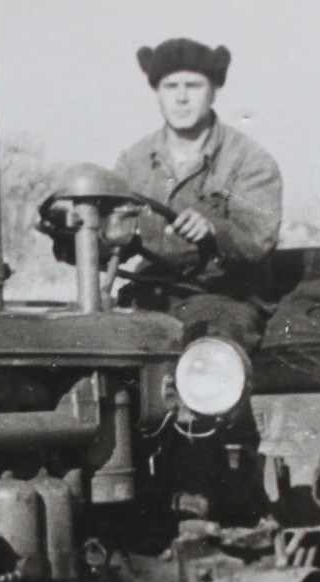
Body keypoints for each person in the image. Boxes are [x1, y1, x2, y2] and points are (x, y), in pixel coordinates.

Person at [114, 37, 283, 349]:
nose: (181, 98)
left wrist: (213, 230)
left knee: (210, 348)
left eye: (193, 86)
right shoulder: (133, 161)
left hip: (226, 297)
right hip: (152, 292)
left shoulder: (249, 159)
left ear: (214, 90)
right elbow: (112, 236)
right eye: (170, 86)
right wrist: (85, 231)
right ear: (157, 92)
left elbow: (258, 238)